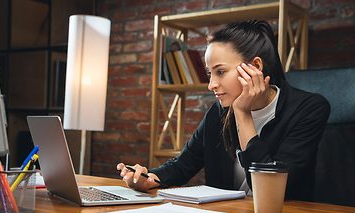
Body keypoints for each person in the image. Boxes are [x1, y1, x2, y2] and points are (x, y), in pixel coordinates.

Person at [117, 20, 330, 201]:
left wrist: (242, 114)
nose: (211, 85)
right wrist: (149, 179)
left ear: (255, 67)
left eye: (220, 71)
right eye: (210, 73)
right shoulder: (218, 112)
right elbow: (182, 166)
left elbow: (269, 191)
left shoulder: (309, 109)